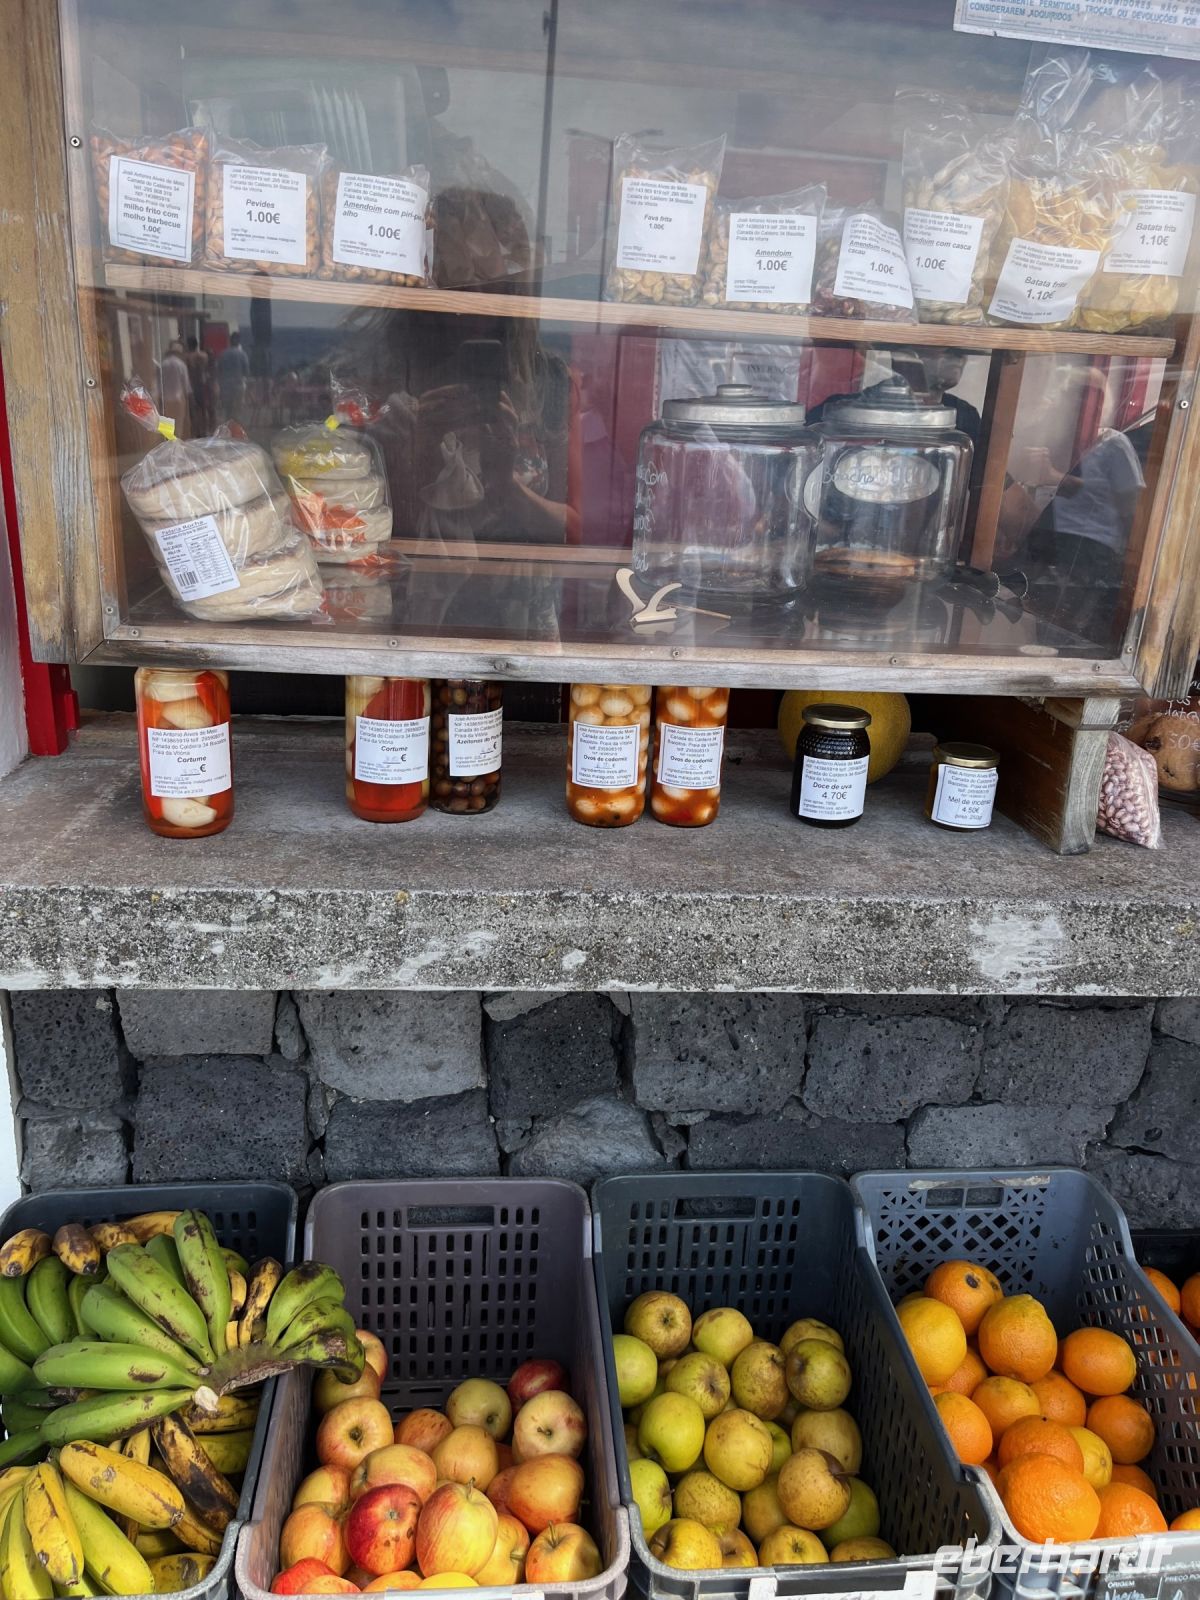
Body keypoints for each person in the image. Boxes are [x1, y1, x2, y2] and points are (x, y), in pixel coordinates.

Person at [806, 347, 982, 449]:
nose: (960, 357)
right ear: (904, 355)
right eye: (949, 350)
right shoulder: (835, 411)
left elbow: (990, 489)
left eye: (961, 350)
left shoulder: (965, 416)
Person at [157, 340, 191, 439]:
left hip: (165, 400)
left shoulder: (163, 365)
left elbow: (159, 385)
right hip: (178, 400)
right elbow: (186, 386)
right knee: (178, 425)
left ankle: (168, 444)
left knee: (166, 426)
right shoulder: (181, 365)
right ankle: (176, 447)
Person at [216, 331, 250, 422]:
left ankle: (228, 426)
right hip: (238, 385)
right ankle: (235, 428)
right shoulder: (242, 354)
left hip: (225, 385)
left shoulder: (223, 354)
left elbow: (219, 370)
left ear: (230, 341)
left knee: (227, 409)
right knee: (237, 410)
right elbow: (246, 371)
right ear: (239, 341)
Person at [183, 336, 212, 435]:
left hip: (192, 385)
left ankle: (196, 431)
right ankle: (205, 430)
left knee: (193, 410)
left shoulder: (186, 357)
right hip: (202, 384)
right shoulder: (204, 356)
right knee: (204, 409)